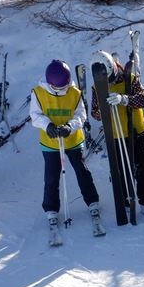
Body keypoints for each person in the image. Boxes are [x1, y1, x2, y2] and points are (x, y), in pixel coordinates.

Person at [30, 59, 102, 232]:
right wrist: (48, 126)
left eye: (64, 88)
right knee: (52, 177)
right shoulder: (38, 93)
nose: (62, 91)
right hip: (50, 142)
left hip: (73, 140)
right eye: (58, 89)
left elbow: (81, 115)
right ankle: (51, 209)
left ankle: (92, 201)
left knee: (82, 171)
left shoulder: (74, 92)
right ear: (50, 84)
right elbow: (35, 115)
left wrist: (70, 126)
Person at [90, 49, 144, 219]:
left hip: (136, 130)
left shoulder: (130, 77)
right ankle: (126, 201)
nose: (108, 81)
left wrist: (124, 99)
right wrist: (103, 107)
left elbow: (143, 99)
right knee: (121, 171)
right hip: (116, 134)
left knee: (142, 168)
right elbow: (95, 114)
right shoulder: (97, 86)